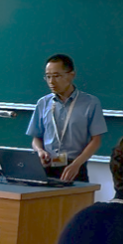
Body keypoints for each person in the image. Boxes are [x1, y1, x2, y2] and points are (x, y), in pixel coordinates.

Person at [26, 54, 107, 182]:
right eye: (48, 77)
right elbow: (36, 138)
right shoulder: (43, 103)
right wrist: (40, 151)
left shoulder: (90, 103)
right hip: (47, 166)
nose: (51, 82)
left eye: (57, 76)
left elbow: (96, 140)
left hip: (75, 166)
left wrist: (77, 164)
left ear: (71, 75)